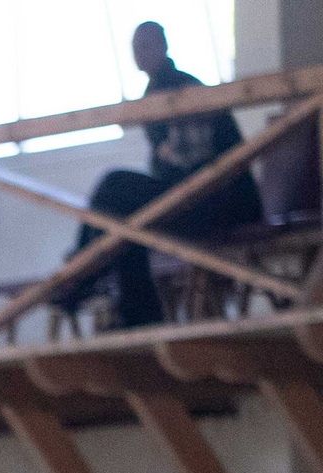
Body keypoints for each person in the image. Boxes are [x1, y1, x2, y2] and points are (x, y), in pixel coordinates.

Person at [63, 21, 264, 328]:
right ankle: (117, 299)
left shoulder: (180, 88)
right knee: (122, 210)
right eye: (135, 48)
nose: (139, 54)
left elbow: (189, 158)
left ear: (163, 46)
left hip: (222, 204)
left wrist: (165, 153)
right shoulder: (158, 90)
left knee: (115, 188)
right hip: (197, 198)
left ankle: (84, 274)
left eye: (145, 46)